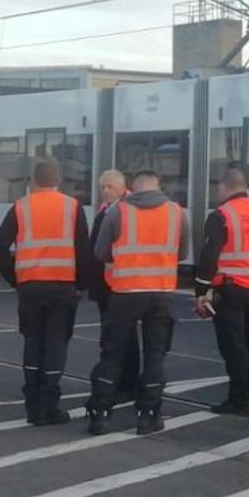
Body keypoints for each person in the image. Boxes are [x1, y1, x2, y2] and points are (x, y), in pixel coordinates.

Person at [0, 158, 96, 425]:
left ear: (33, 181)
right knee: (55, 345)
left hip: (30, 286)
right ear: (58, 180)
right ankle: (49, 405)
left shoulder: (21, 207)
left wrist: (16, 278)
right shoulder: (72, 207)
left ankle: (32, 403)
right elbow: (84, 252)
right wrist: (80, 284)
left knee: (32, 341)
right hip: (62, 286)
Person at [88, 169, 182, 435]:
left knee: (113, 352)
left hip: (125, 292)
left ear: (133, 188)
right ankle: (149, 414)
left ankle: (101, 414)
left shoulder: (118, 212)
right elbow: (183, 250)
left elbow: (100, 251)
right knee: (155, 354)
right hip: (161, 292)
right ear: (158, 186)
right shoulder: (175, 212)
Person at [193, 167, 249, 414]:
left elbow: (209, 255)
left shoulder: (221, 216)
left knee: (232, 345)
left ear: (224, 187)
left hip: (230, 288)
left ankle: (238, 398)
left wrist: (201, 289)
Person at [89, 169, 141, 407]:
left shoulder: (125, 210)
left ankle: (126, 384)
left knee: (123, 338)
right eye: (102, 187)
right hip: (108, 284)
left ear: (122, 187)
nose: (105, 191)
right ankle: (120, 383)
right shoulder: (107, 209)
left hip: (121, 284)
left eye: (109, 187)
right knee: (115, 336)